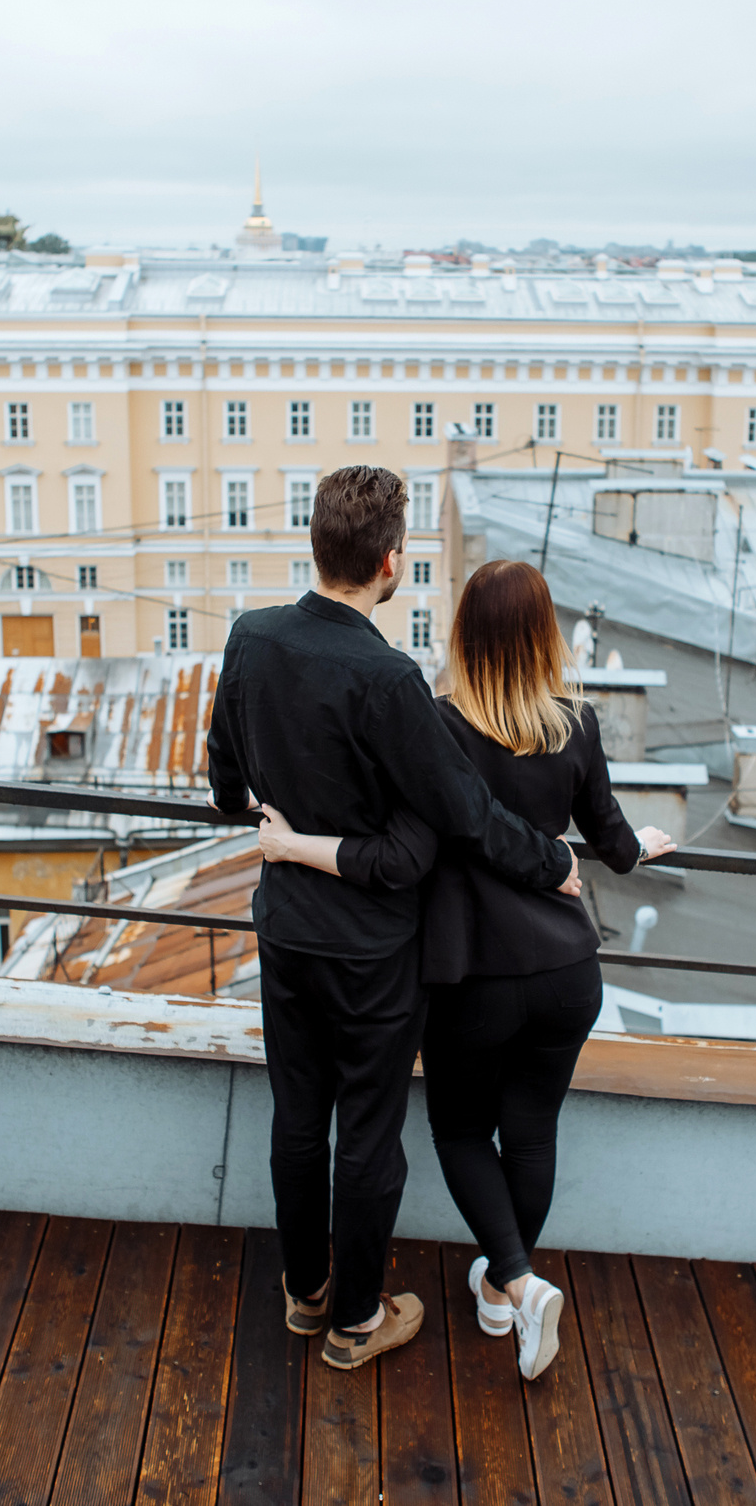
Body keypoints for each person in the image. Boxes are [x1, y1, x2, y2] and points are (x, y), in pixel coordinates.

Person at [255, 558, 672, 1381]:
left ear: (463, 633)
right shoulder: (575, 723)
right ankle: (499, 1293)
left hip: (470, 972)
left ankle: (516, 1281)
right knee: (533, 1131)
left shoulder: (439, 723)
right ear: (545, 633)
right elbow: (614, 842)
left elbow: (413, 839)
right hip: (566, 969)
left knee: (457, 1128)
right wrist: (643, 845)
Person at [206, 468, 582, 1372]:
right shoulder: (389, 677)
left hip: (287, 928)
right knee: (368, 1133)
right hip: (373, 950)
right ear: (388, 560)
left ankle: (305, 1295)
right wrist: (556, 860)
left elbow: (225, 785)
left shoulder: (250, 637)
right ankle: (359, 1321)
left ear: (315, 545)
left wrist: (277, 822)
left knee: (297, 1117)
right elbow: (465, 815)